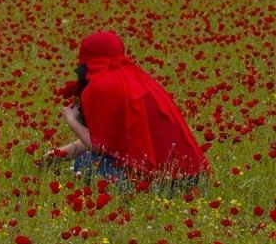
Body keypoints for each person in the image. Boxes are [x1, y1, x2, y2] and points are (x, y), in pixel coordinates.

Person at [43, 31, 209, 188]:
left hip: (160, 183)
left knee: (86, 162)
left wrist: (72, 121)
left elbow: (100, 148)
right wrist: (55, 155)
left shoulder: (100, 86)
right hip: (193, 177)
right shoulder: (135, 77)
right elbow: (110, 140)